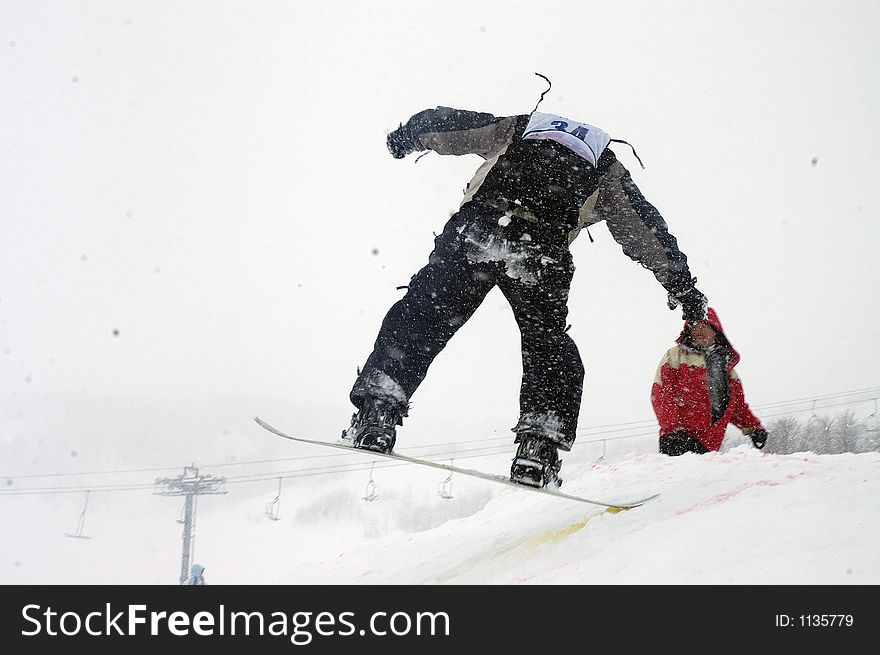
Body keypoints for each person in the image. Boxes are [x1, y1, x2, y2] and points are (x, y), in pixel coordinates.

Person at [343, 105, 707, 489]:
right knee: (546, 342)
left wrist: (407, 137)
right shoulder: (606, 166)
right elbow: (645, 231)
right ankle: (539, 445)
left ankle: (379, 409)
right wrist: (683, 288)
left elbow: (452, 125)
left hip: (479, 229)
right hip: (542, 251)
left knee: (425, 314)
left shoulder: (521, 127)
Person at [651, 307, 768, 455]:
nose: (698, 331)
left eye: (704, 326)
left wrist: (754, 428)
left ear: (716, 331)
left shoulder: (727, 370)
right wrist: (673, 429)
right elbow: (661, 392)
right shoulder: (675, 356)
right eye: (694, 326)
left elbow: (737, 407)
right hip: (676, 440)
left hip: (708, 445)